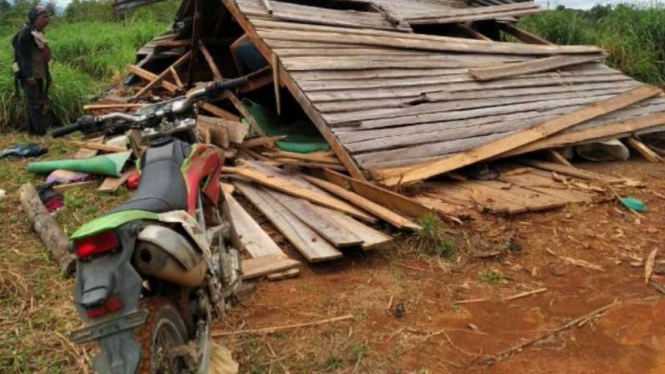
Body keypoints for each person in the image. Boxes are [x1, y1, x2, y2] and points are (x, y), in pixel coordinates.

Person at [13, 6, 52, 136]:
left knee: (37, 103)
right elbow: (22, 56)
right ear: (35, 18)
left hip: (39, 74)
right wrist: (28, 75)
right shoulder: (26, 33)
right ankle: (41, 133)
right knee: (34, 104)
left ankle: (33, 132)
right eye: (43, 17)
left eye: (47, 17)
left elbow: (44, 57)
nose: (47, 20)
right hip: (30, 75)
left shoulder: (38, 33)